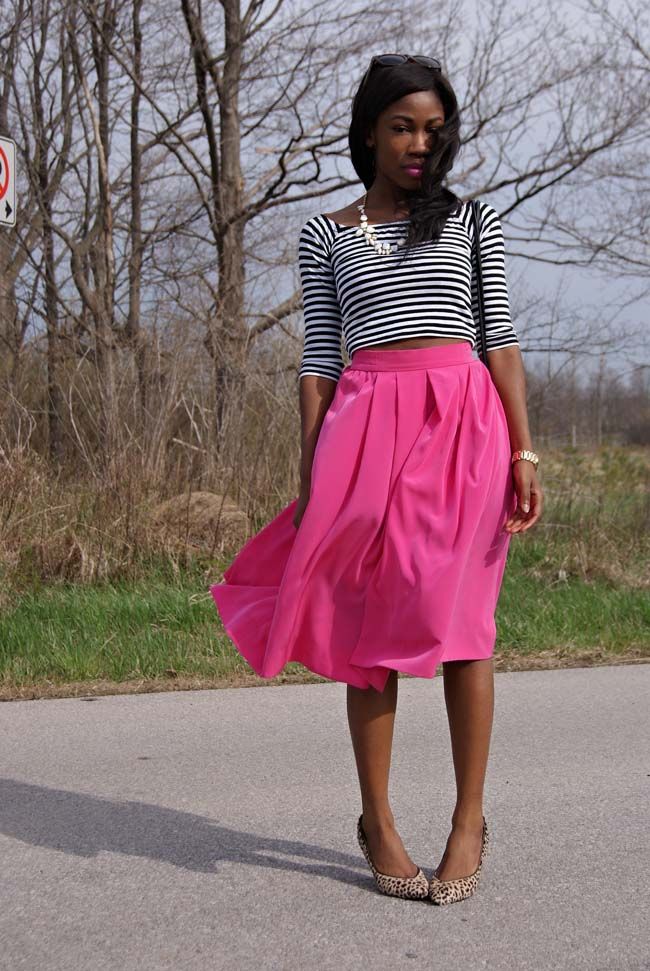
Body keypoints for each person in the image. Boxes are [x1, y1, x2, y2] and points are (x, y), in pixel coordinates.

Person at [210, 53, 543, 906]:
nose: (420, 144)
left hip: (464, 429)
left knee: (463, 621)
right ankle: (378, 819)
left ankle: (470, 820)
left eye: (434, 129)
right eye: (403, 127)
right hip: (363, 430)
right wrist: (311, 462)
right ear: (370, 133)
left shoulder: (474, 221)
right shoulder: (327, 232)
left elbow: (498, 339)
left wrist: (524, 451)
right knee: (368, 630)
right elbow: (320, 359)